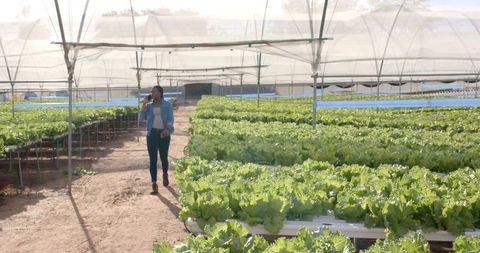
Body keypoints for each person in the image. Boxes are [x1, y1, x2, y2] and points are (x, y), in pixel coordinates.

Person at [139, 85, 174, 194]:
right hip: (152, 135)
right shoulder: (149, 106)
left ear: (160, 93)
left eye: (153, 92)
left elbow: (170, 119)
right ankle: (154, 184)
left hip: (163, 134)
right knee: (152, 159)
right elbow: (141, 118)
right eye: (151, 92)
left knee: (164, 157)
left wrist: (167, 130)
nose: (151, 93)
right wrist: (143, 105)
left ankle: (165, 174)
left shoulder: (167, 104)